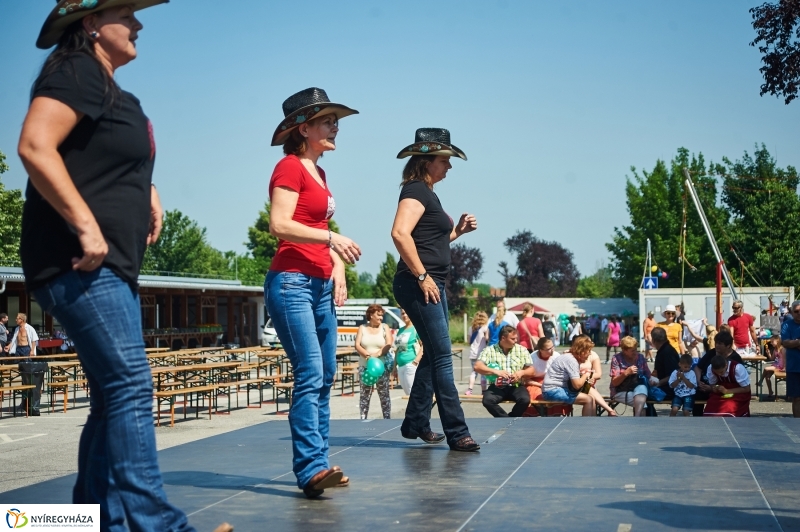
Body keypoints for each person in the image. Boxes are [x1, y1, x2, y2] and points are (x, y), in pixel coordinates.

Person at [18, 2, 232, 530]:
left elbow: (106, 156)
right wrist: (86, 225)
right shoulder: (76, 71)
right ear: (91, 24)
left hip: (111, 265)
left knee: (112, 398)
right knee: (131, 386)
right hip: (81, 261)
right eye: (126, 14)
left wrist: (149, 190)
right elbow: (35, 144)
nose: (139, 24)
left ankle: (93, 518)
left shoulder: (110, 89)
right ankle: (156, 523)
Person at [266, 87, 362, 497]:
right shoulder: (288, 167)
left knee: (326, 374)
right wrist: (331, 238)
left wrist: (337, 266)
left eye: (335, 119)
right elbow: (280, 224)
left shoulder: (318, 173)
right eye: (327, 120)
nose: (335, 126)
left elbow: (317, 235)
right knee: (309, 374)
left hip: (320, 284)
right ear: (304, 128)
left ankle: (321, 464)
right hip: (292, 283)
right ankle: (309, 469)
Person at [391, 127, 479, 452]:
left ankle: (415, 422)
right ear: (428, 161)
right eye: (445, 160)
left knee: (434, 354)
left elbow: (429, 242)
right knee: (443, 356)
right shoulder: (415, 190)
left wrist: (456, 232)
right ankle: (458, 432)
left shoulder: (428, 192)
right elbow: (400, 234)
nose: (449, 167)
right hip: (419, 284)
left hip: (431, 283)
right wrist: (422, 276)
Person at [543, 335, 617, 416]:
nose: (589, 354)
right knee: (588, 399)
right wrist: (586, 375)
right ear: (582, 351)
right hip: (552, 391)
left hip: (558, 388)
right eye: (588, 351)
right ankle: (585, 426)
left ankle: (595, 420)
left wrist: (584, 377)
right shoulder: (571, 361)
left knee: (590, 395)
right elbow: (577, 385)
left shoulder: (571, 358)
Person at [474, 325, 535, 417]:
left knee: (525, 400)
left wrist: (521, 373)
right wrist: (495, 371)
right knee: (487, 400)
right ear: (503, 338)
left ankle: (509, 418)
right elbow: (477, 366)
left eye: (516, 338)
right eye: (513, 339)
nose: (516, 341)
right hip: (497, 386)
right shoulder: (489, 350)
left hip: (516, 386)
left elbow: (532, 370)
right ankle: (506, 420)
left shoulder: (521, 350)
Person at [355, 304, 393, 419]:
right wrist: (367, 355)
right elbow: (357, 345)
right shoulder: (362, 328)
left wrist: (377, 354)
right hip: (365, 367)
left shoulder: (384, 327)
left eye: (382, 316)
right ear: (371, 315)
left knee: (384, 395)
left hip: (381, 368)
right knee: (364, 395)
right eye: (378, 315)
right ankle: (363, 418)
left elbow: (389, 343)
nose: (381, 318)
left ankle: (387, 419)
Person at [693, 330, 742, 416]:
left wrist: (712, 388)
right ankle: (697, 420)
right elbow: (698, 368)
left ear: (728, 346)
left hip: (722, 390)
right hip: (704, 386)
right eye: (716, 343)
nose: (717, 345)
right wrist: (698, 381)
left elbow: (736, 384)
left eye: (720, 344)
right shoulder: (711, 353)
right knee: (694, 395)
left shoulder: (735, 359)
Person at [609, 336, 657, 416]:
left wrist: (651, 381)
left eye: (636, 349)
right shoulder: (617, 359)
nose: (635, 352)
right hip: (620, 391)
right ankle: (638, 421)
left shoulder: (640, 357)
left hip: (639, 390)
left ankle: (636, 419)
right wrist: (625, 373)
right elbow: (614, 383)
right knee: (642, 404)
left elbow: (648, 375)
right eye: (632, 351)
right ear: (624, 350)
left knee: (642, 388)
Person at [394, 308, 422, 395]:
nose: (405, 315)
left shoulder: (416, 328)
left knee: (412, 392)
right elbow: (398, 349)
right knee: (407, 392)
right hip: (400, 365)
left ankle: (417, 409)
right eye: (402, 313)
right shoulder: (400, 330)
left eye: (407, 313)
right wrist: (394, 366)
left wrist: (415, 361)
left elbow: (423, 345)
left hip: (411, 363)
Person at [780, 300, 800, 418]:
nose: (799, 313)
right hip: (794, 367)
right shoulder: (787, 325)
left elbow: (789, 342)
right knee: (796, 398)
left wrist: (794, 342)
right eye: (796, 311)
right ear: (792, 312)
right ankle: (797, 423)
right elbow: (785, 342)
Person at [651, 326, 680, 399]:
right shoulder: (664, 349)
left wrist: (658, 383)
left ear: (654, 340)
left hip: (670, 389)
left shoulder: (667, 352)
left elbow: (673, 375)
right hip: (667, 387)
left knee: (642, 394)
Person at [466, 311, 489, 395]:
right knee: (483, 373)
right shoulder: (485, 328)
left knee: (473, 372)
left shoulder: (471, 328)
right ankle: (483, 391)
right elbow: (487, 339)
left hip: (473, 353)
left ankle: (469, 389)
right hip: (482, 353)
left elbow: (468, 341)